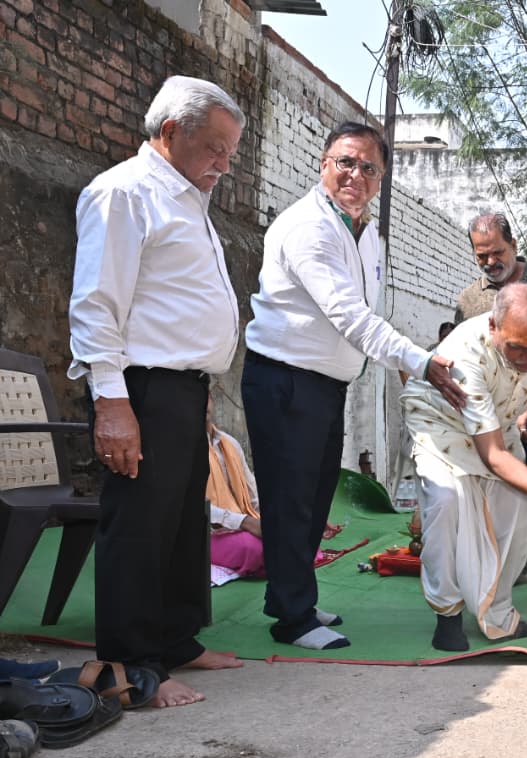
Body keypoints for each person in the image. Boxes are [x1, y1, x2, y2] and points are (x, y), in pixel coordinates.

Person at [241, 121, 463, 651]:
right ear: (323, 164)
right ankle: (293, 620)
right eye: (345, 162)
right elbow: (350, 317)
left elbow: (365, 314)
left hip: (325, 384)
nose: (355, 175)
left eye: (368, 168)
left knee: (316, 497)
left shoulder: (365, 232)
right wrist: (418, 360)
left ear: (381, 177)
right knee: (290, 499)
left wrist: (407, 359)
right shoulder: (309, 229)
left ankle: (289, 597)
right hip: (285, 378)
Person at [69, 75, 247, 708]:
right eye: (216, 148)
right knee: (139, 525)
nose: (224, 165)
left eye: (230, 152)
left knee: (181, 524)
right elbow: (96, 303)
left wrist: (200, 385)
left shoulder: (187, 196)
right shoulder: (124, 192)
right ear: (171, 132)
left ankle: (175, 641)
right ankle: (131, 666)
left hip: (181, 388)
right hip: (139, 387)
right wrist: (112, 402)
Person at [402, 285, 527, 651]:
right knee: (446, 504)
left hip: (497, 423)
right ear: (494, 326)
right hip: (439, 421)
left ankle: (497, 612)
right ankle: (447, 614)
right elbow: (493, 456)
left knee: (517, 511)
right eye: (518, 349)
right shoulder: (466, 354)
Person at [207, 395, 265, 582]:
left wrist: (269, 521)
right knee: (253, 548)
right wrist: (244, 522)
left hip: (242, 521)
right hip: (206, 531)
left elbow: (252, 492)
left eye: (205, 396)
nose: (202, 403)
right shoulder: (179, 448)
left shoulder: (228, 442)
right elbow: (188, 506)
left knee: (291, 534)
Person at [454, 213, 527, 323]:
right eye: (482, 256)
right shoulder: (467, 301)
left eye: (498, 253)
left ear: (513, 246)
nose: (490, 262)